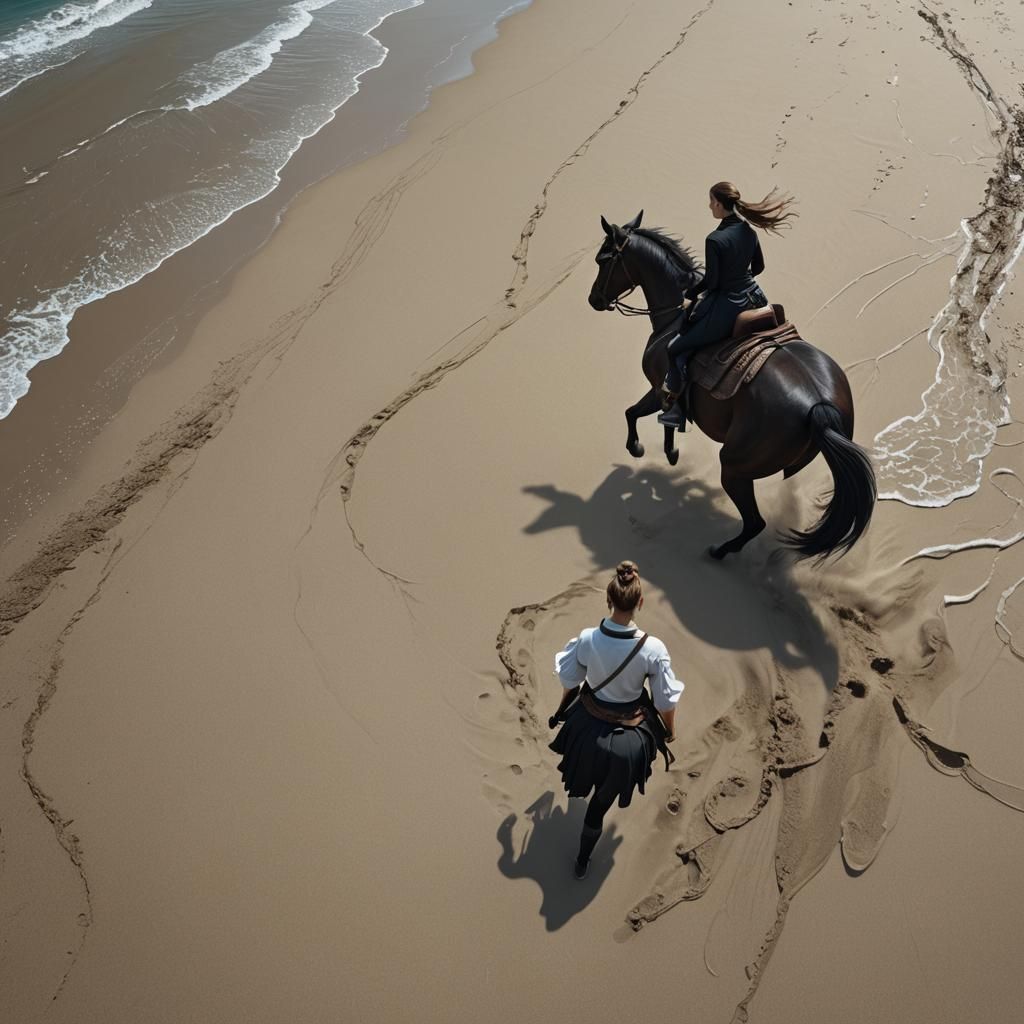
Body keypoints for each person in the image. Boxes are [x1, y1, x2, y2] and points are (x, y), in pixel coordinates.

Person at [548, 561, 682, 879]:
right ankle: (583, 860)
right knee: (601, 803)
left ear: (609, 600)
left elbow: (571, 682)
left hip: (587, 725)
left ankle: (581, 855)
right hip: (630, 736)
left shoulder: (586, 639)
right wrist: (669, 732)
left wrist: (561, 712)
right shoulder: (653, 648)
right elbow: (665, 700)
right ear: (640, 602)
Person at [659, 182, 797, 429]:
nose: (709, 205)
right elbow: (759, 268)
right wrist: (740, 278)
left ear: (720, 205)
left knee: (675, 348)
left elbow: (712, 282)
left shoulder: (715, 239)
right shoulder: (748, 230)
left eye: (711, 201)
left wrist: (691, 294)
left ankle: (674, 412)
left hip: (729, 305)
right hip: (756, 297)